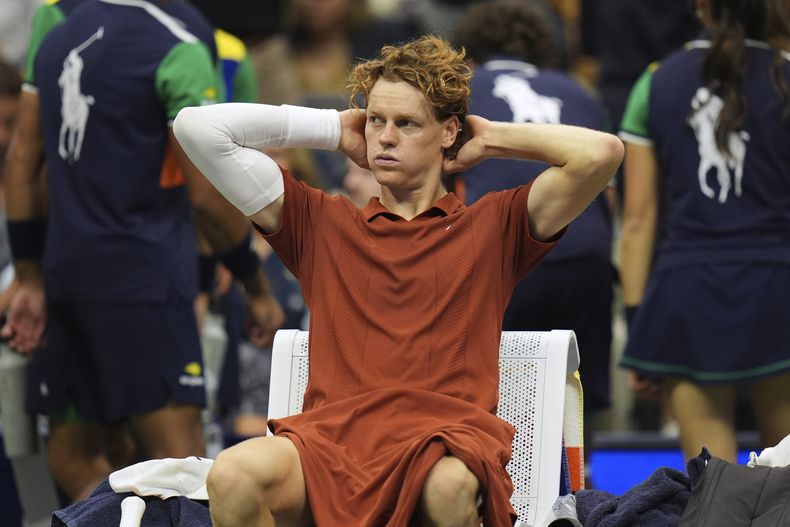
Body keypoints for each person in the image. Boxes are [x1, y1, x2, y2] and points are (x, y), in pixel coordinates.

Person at [175, 35, 622, 526]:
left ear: (449, 131)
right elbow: (196, 127)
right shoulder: (319, 221)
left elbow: (601, 153)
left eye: (406, 124)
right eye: (375, 121)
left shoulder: (495, 225)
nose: (384, 137)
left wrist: (489, 137)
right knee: (232, 474)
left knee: (449, 485)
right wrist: (330, 128)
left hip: (443, 446)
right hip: (329, 447)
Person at [1, 0, 282, 502]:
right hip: (147, 285)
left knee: (77, 458)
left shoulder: (59, 29)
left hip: (65, 278)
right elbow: (206, 197)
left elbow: (23, 159)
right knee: (184, 476)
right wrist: (253, 283)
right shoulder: (182, 43)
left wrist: (28, 276)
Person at [619, 0, 790, 462]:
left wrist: (640, 327)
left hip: (687, 291)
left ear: (701, 7)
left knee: (715, 484)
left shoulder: (655, 83)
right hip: (778, 288)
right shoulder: (785, 74)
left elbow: (636, 221)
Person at [453, 0, 615, 485]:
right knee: (576, 392)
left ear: (470, 52)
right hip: (586, 252)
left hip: (506, 252)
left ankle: (505, 494)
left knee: (496, 390)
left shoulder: (460, 90)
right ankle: (578, 495)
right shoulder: (579, 92)